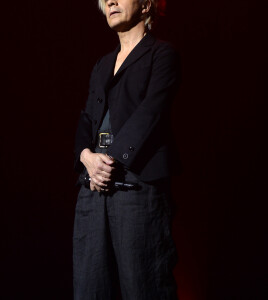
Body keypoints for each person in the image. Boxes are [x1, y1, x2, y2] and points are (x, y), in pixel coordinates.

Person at [73, 0, 181, 299]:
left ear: (146, 5)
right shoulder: (102, 64)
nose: (109, 1)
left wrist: (108, 161)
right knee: (89, 288)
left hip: (137, 187)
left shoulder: (162, 54)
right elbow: (86, 118)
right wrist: (85, 157)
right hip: (93, 186)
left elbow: (151, 113)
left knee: (145, 287)